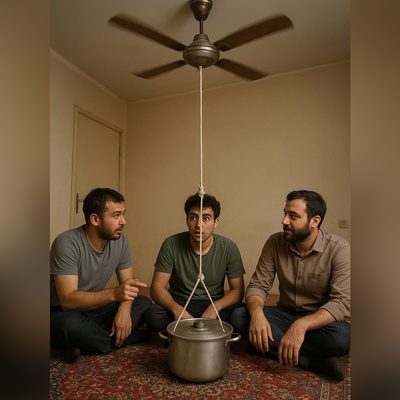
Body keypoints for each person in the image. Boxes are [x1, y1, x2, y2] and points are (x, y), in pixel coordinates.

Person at [230, 190, 350, 381]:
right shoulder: (274, 242)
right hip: (285, 314)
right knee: (239, 316)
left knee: (342, 337)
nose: (284, 221)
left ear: (315, 221)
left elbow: (342, 303)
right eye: (285, 213)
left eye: (293, 216)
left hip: (319, 321)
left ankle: (265, 345)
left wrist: (302, 325)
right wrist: (258, 315)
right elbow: (258, 286)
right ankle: (313, 361)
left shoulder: (339, 249)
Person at [50, 188, 152, 363]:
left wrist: (124, 311)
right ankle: (109, 342)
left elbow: (128, 285)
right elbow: (68, 301)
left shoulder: (121, 240)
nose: (123, 222)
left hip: (95, 308)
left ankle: (82, 342)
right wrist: (114, 294)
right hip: (61, 312)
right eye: (116, 215)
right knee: (70, 324)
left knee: (143, 303)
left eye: (123, 214)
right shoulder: (66, 243)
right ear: (95, 219)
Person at [144, 192, 246, 332]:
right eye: (193, 218)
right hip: (180, 301)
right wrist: (176, 309)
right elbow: (157, 288)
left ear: (216, 222)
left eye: (206, 218)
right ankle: (204, 330)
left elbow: (238, 290)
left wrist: (215, 307)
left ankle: (185, 330)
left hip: (214, 301)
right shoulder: (171, 244)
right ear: (187, 220)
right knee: (153, 314)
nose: (199, 225)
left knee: (241, 316)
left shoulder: (229, 248)